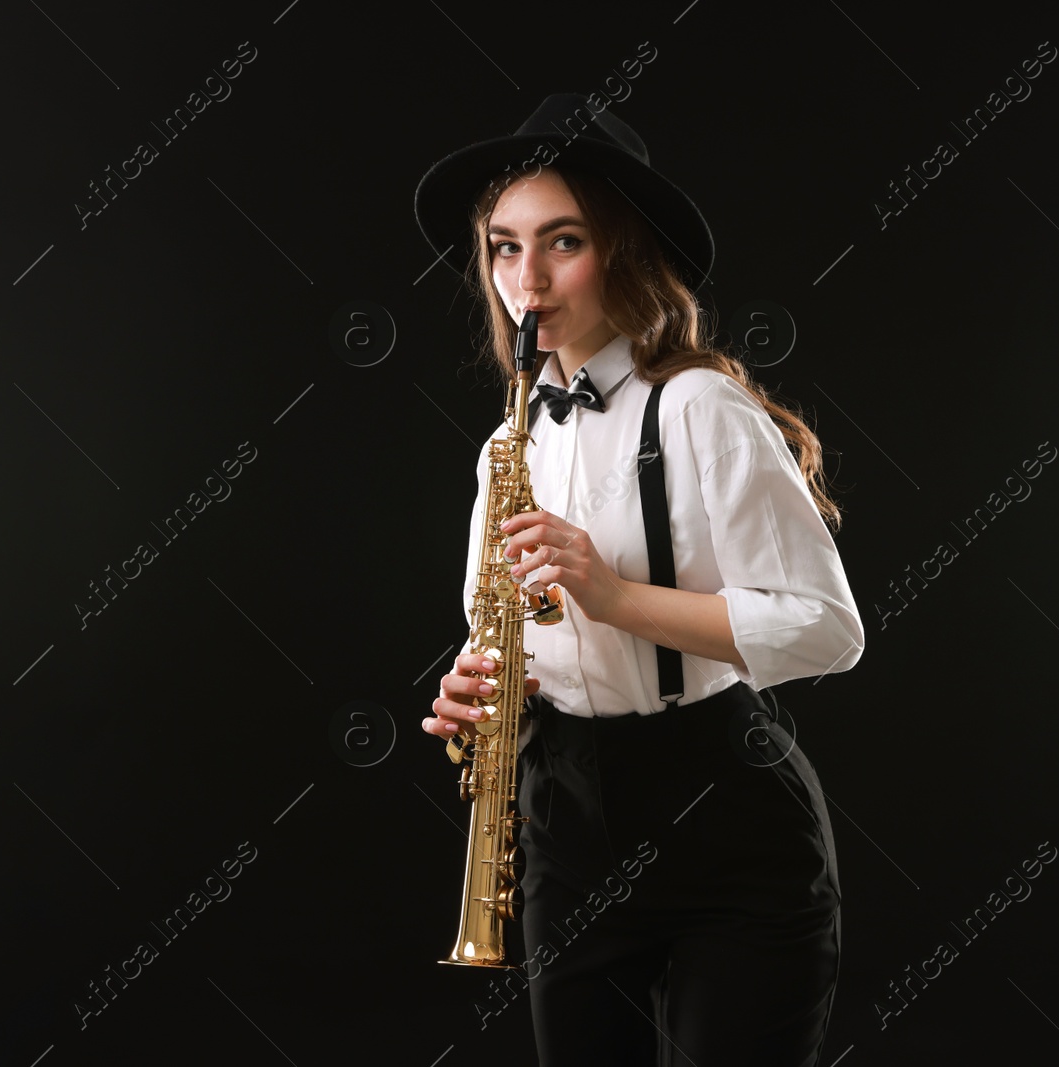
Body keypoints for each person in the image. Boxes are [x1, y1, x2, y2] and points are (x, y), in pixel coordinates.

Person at [415, 93, 865, 1066]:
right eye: (501, 246)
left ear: (622, 250)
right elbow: (508, 628)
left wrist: (611, 593)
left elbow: (827, 627)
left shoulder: (699, 406)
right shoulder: (512, 436)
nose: (524, 279)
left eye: (561, 241)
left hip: (725, 815)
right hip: (565, 818)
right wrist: (476, 682)